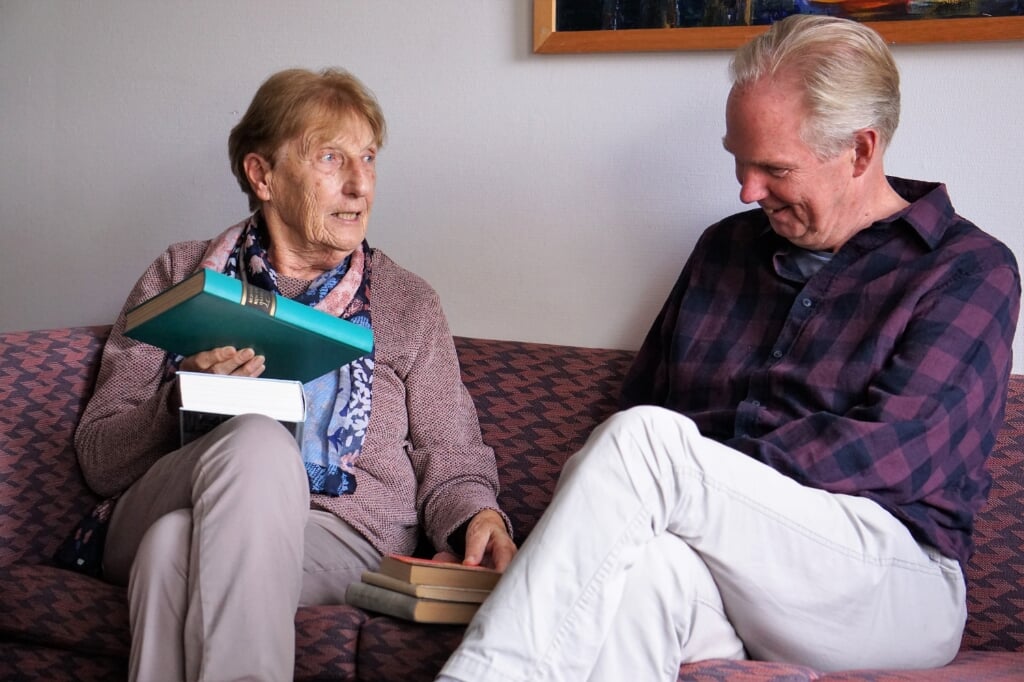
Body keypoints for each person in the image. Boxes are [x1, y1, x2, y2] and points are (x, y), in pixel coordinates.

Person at [439, 14, 1020, 682]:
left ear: (861, 152)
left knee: (646, 444)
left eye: (774, 168)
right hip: (726, 565)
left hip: (890, 578)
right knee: (643, 574)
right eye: (738, 162)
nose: (747, 191)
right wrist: (688, 487)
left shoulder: (967, 270)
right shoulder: (725, 248)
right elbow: (643, 404)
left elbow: (896, 452)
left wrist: (695, 475)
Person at [73, 67, 516, 682]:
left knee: (172, 549)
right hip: (162, 494)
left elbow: (452, 452)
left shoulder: (407, 303)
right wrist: (182, 401)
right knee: (256, 442)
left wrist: (481, 517)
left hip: (339, 536)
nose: (361, 185)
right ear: (262, 176)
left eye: (368, 158)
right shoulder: (179, 275)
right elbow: (99, 458)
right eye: (332, 159)